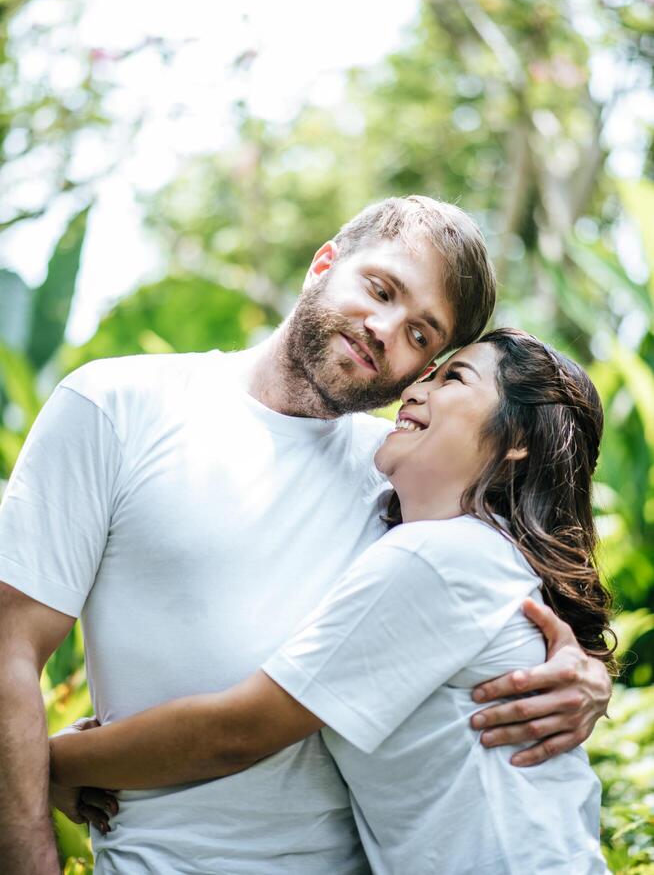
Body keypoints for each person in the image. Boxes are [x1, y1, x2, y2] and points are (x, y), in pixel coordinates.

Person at [0, 197, 610, 874]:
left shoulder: (409, 477)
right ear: (325, 263)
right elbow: (7, 648)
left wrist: (582, 677)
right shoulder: (118, 406)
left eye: (421, 336)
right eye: (380, 289)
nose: (383, 329)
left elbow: (501, 618)